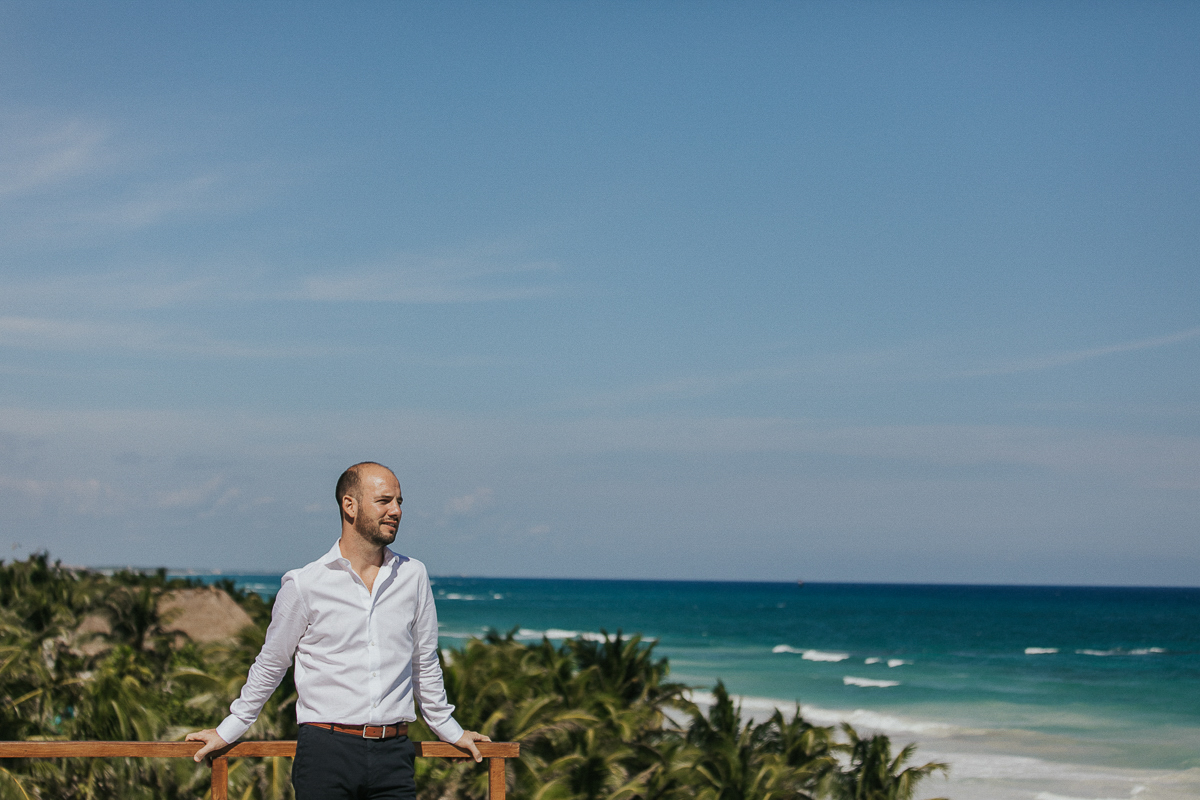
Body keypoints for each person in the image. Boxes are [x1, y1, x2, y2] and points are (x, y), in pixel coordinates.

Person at [187, 462, 490, 799]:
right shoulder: (305, 584)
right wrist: (229, 729)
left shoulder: (413, 576)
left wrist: (450, 729)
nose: (396, 511)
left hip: (394, 753)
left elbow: (424, 661)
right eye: (384, 501)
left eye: (400, 502)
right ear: (350, 505)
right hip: (325, 753)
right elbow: (272, 663)